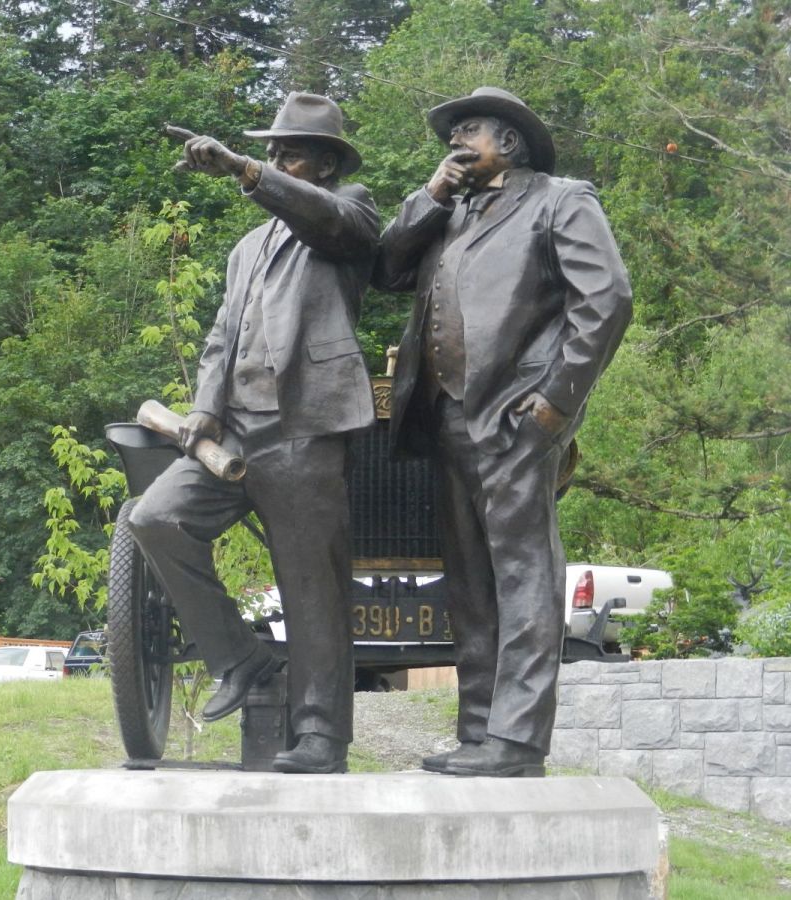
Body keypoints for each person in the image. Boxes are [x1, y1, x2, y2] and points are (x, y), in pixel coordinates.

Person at [375, 87, 633, 777]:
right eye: (452, 133)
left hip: (519, 415)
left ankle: (516, 742)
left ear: (509, 142)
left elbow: (607, 300)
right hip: (447, 416)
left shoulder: (560, 200)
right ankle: (478, 733)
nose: (455, 141)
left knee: (523, 574)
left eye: (469, 130)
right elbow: (387, 268)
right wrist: (431, 195)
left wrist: (555, 403)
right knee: (470, 582)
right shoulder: (448, 210)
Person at [129, 92, 379, 774]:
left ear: (325, 166)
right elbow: (221, 336)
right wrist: (205, 408)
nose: (274, 161)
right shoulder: (246, 249)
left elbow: (334, 224)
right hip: (237, 429)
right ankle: (241, 659)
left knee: (311, 584)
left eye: (288, 153)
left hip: (307, 425)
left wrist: (244, 170)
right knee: (155, 519)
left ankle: (322, 736)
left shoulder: (351, 210)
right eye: (270, 152)